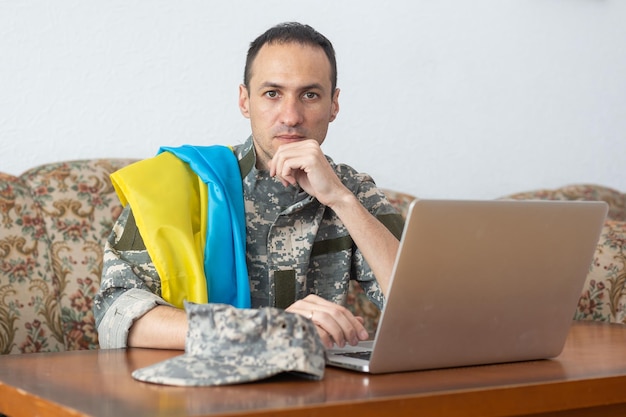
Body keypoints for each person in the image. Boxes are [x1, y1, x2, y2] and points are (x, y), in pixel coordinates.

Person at [94, 22, 404, 351]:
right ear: (245, 101)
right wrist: (265, 329)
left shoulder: (351, 190)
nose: (291, 116)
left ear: (334, 105)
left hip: (319, 394)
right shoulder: (183, 184)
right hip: (202, 394)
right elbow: (116, 316)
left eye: (310, 95)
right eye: (273, 94)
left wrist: (341, 200)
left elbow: (423, 306)